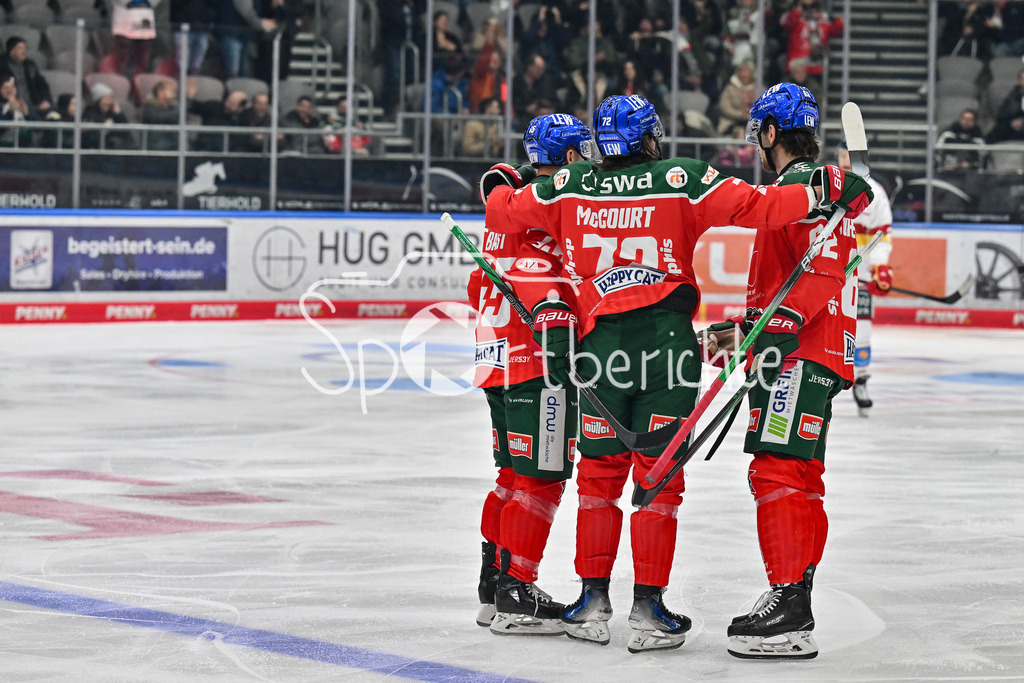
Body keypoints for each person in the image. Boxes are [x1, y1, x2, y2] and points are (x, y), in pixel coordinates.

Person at [483, 93, 872, 653]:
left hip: (598, 350)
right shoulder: (682, 176)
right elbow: (763, 207)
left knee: (598, 479)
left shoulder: (570, 185)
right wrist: (824, 190)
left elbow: (501, 212)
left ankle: (591, 603)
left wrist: (499, 179)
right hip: (667, 349)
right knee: (658, 479)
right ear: (648, 138)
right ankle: (648, 612)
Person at [703, 83, 871, 660]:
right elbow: (792, 278)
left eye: (759, 134)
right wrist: (740, 330)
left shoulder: (804, 187)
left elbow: (821, 269)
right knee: (796, 476)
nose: (756, 145)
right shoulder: (813, 188)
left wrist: (783, 325)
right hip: (801, 346)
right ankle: (793, 595)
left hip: (800, 350)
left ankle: (789, 608)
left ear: (772, 133)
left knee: (777, 472)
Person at [472, 112, 593, 636]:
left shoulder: (508, 206)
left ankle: (493, 587)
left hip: (495, 361)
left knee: (511, 476)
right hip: (538, 364)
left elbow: (478, 284)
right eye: (581, 151)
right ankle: (517, 588)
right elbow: (547, 293)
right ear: (566, 157)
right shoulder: (545, 214)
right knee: (542, 477)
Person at [837, 138, 893, 417]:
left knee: (862, 331)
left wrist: (880, 267)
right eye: (842, 155)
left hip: (858, 275)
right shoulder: (826, 183)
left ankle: (861, 380)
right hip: (829, 275)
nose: (845, 160)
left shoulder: (876, 193)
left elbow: (881, 235)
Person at [780, 0, 842, 77]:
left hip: (816, 66)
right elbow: (785, 22)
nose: (810, 10)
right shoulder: (794, 21)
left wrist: (828, 16)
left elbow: (838, 28)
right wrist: (799, 9)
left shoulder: (824, 22)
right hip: (796, 65)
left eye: (813, 6)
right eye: (806, 7)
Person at [109, 0, 162, 83]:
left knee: (143, 61)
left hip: (144, 16)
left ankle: (137, 89)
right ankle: (119, 87)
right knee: (122, 61)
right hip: (124, 16)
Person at [0, 37, 53, 117]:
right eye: (20, 48)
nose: (24, 51)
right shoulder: (2, 66)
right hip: (8, 104)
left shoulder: (30, 65)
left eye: (25, 48)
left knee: (53, 115)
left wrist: (46, 100)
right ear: (11, 51)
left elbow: (42, 85)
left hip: (33, 105)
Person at [82, 81, 133, 149]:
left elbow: (126, 130)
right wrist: (105, 128)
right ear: (98, 100)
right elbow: (89, 137)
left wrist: (118, 113)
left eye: (110, 98)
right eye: (106, 98)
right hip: (98, 147)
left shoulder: (112, 112)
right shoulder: (89, 113)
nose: (109, 101)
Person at [141, 79, 179, 150]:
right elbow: (161, 117)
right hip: (156, 143)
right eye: (170, 90)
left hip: (173, 142)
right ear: (160, 92)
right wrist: (178, 112)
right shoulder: (150, 107)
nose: (173, 93)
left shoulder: (173, 107)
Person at [987, 69, 1024, 143]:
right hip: (1013, 127)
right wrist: (1011, 122)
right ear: (1019, 81)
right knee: (998, 130)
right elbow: (1002, 115)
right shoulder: (1014, 96)